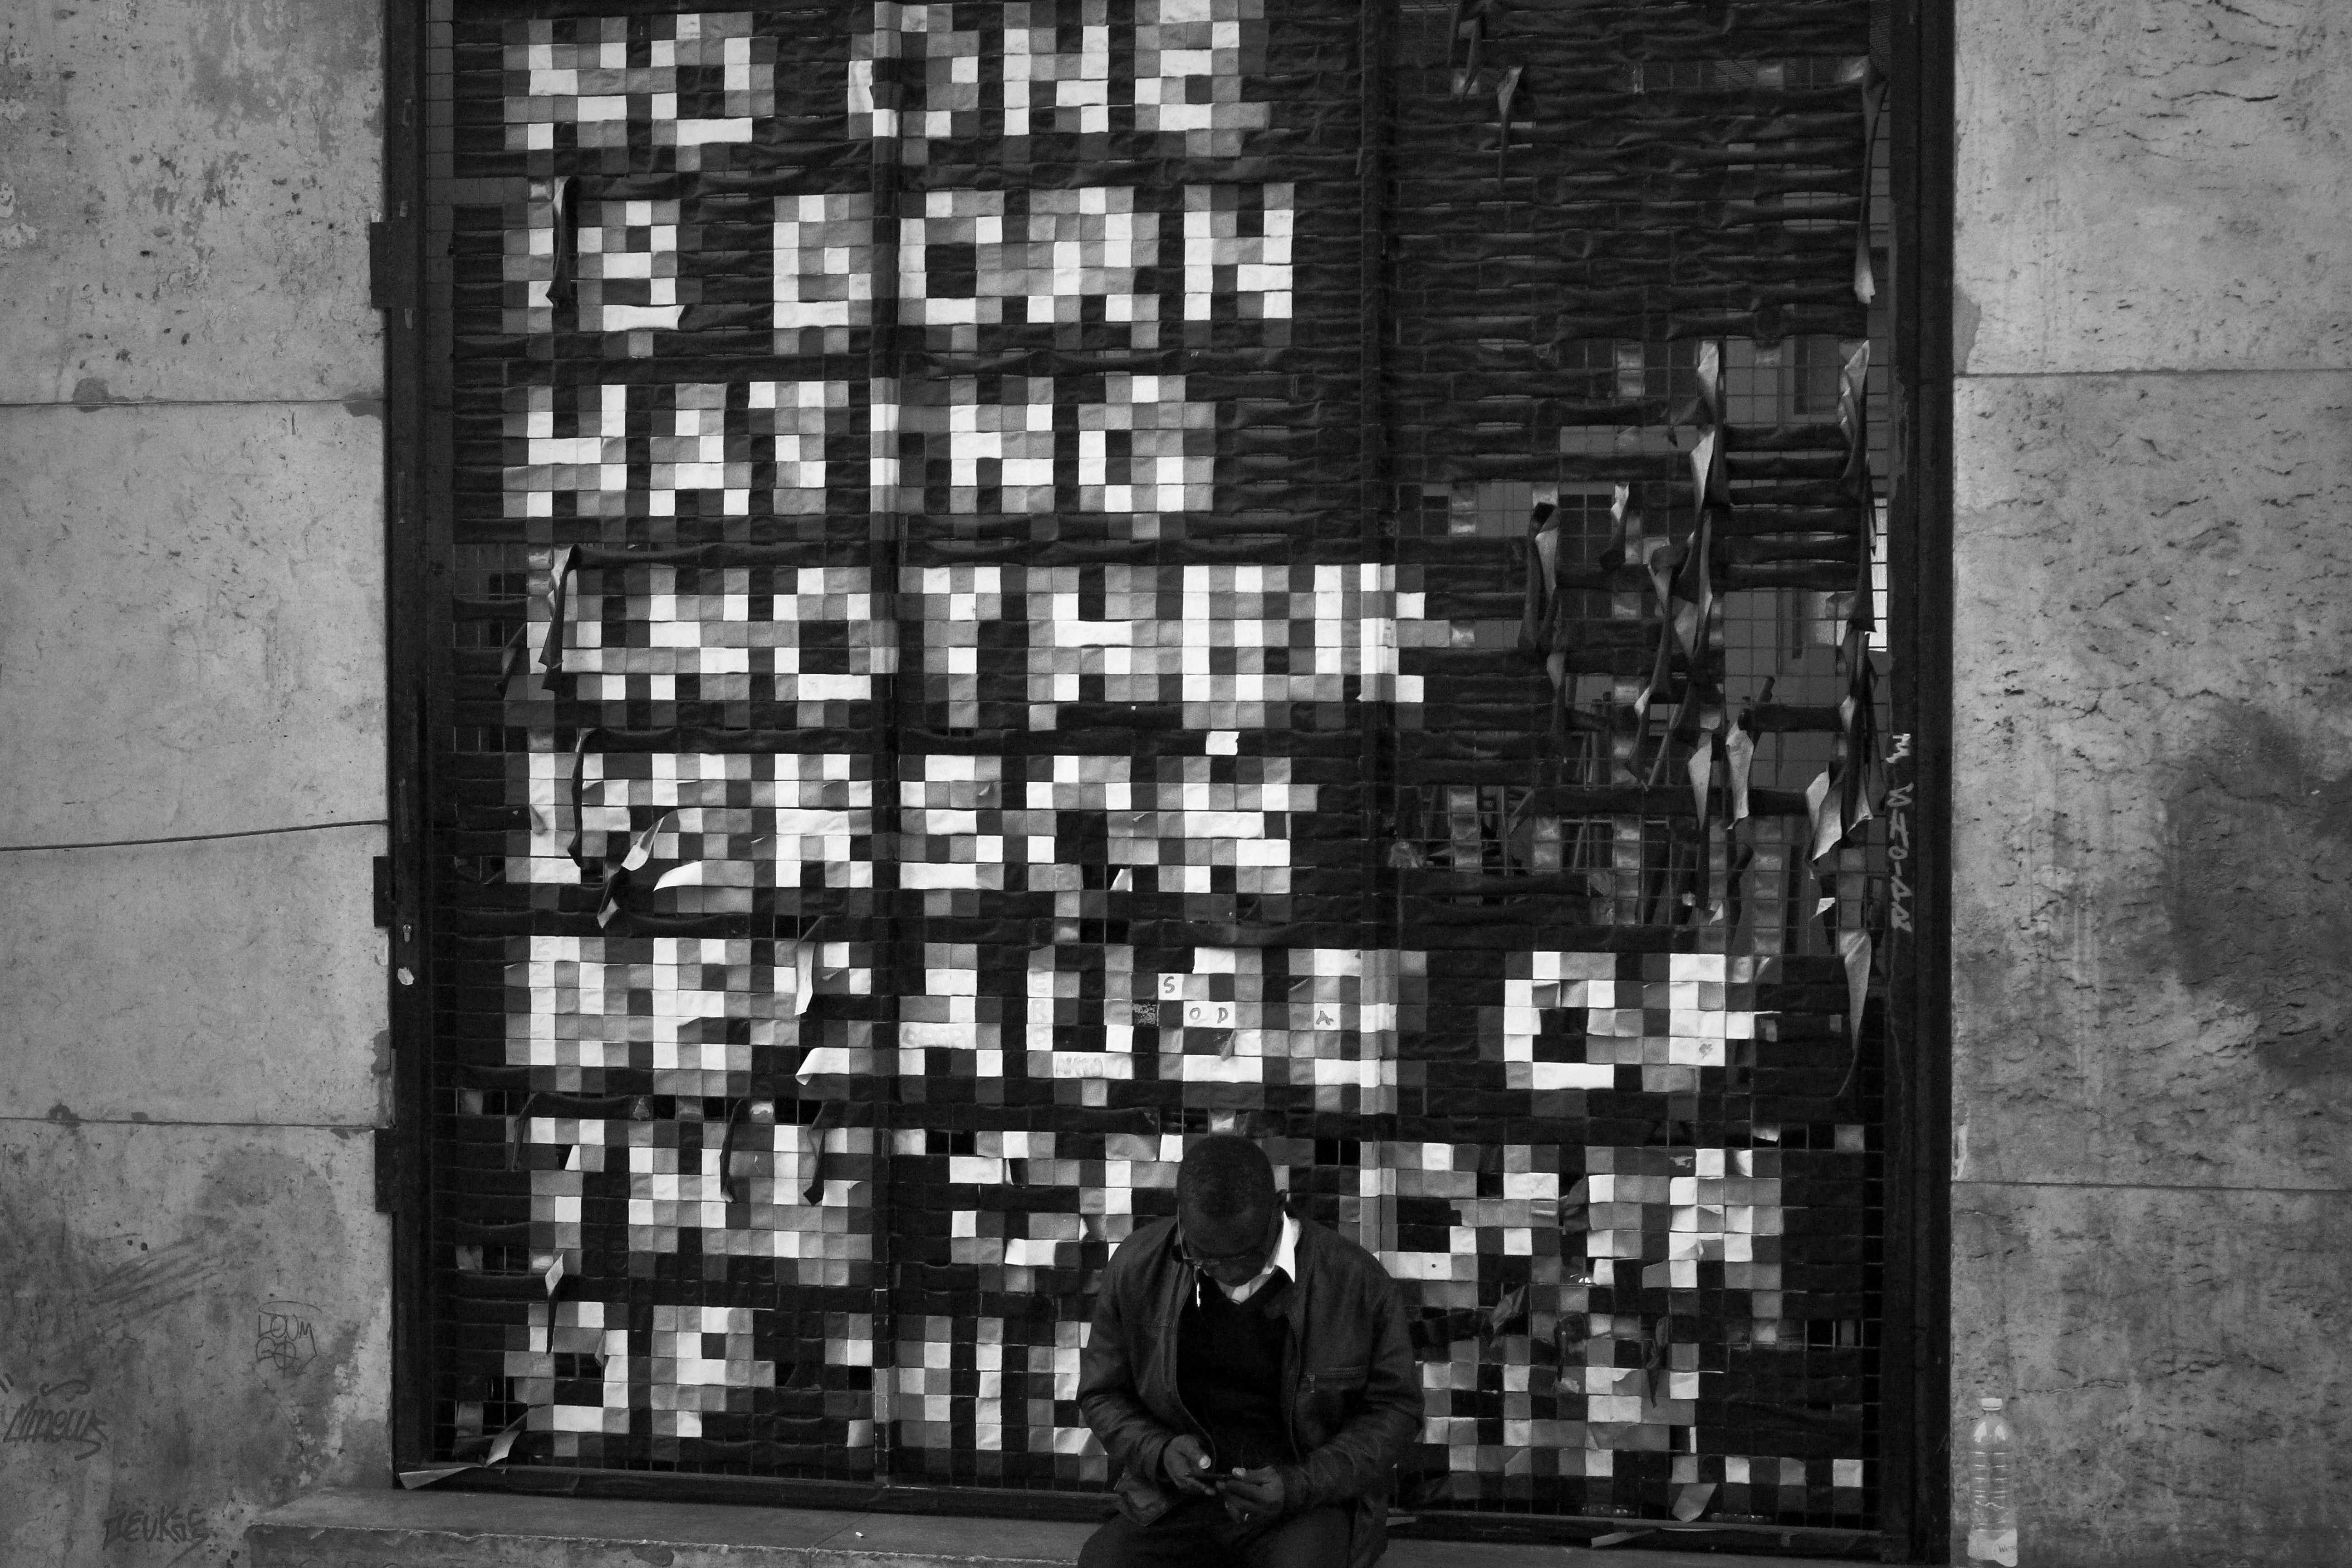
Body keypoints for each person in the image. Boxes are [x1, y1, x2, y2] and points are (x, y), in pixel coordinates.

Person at [1076, 1134, 1421, 1568]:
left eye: (1246, 1256)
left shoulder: (1356, 1282)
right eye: (1205, 1260)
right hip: (1176, 1501)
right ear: (1183, 1221)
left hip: (1303, 1504)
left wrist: (1299, 1484)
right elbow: (1101, 1393)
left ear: (1279, 1208)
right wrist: (1159, 1453)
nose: (1228, 1275)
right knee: (1104, 1563)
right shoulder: (1138, 1267)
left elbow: (1396, 1412)